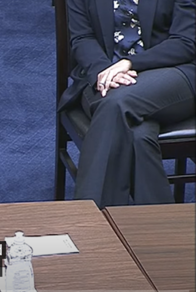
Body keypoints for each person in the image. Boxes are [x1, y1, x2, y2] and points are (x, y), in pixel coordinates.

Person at [58, 0, 196, 208]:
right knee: (138, 135)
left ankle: (90, 222)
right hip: (105, 78)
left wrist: (129, 64)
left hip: (173, 75)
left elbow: (185, 42)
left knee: (117, 103)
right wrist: (107, 73)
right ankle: (160, 232)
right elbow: (82, 38)